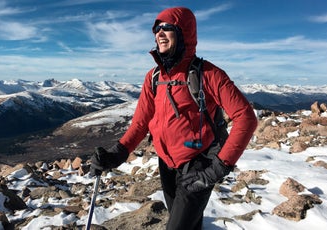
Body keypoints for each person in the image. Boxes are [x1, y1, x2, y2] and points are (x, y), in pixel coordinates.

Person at [90, 6, 258, 230]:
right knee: (189, 224)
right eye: (156, 29)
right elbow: (141, 123)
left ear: (184, 33)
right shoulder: (154, 77)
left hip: (200, 163)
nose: (159, 33)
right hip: (167, 165)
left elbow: (246, 118)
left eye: (167, 28)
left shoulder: (209, 74)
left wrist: (216, 169)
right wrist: (117, 153)